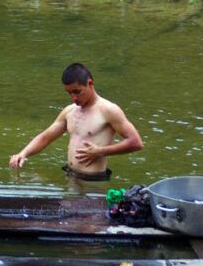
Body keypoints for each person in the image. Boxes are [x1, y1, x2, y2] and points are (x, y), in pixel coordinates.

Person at [9, 63, 143, 181]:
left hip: (93, 180)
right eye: (69, 93)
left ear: (90, 84)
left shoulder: (109, 110)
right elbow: (46, 137)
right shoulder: (69, 111)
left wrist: (100, 151)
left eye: (77, 92)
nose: (73, 97)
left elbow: (135, 142)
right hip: (70, 174)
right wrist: (23, 153)